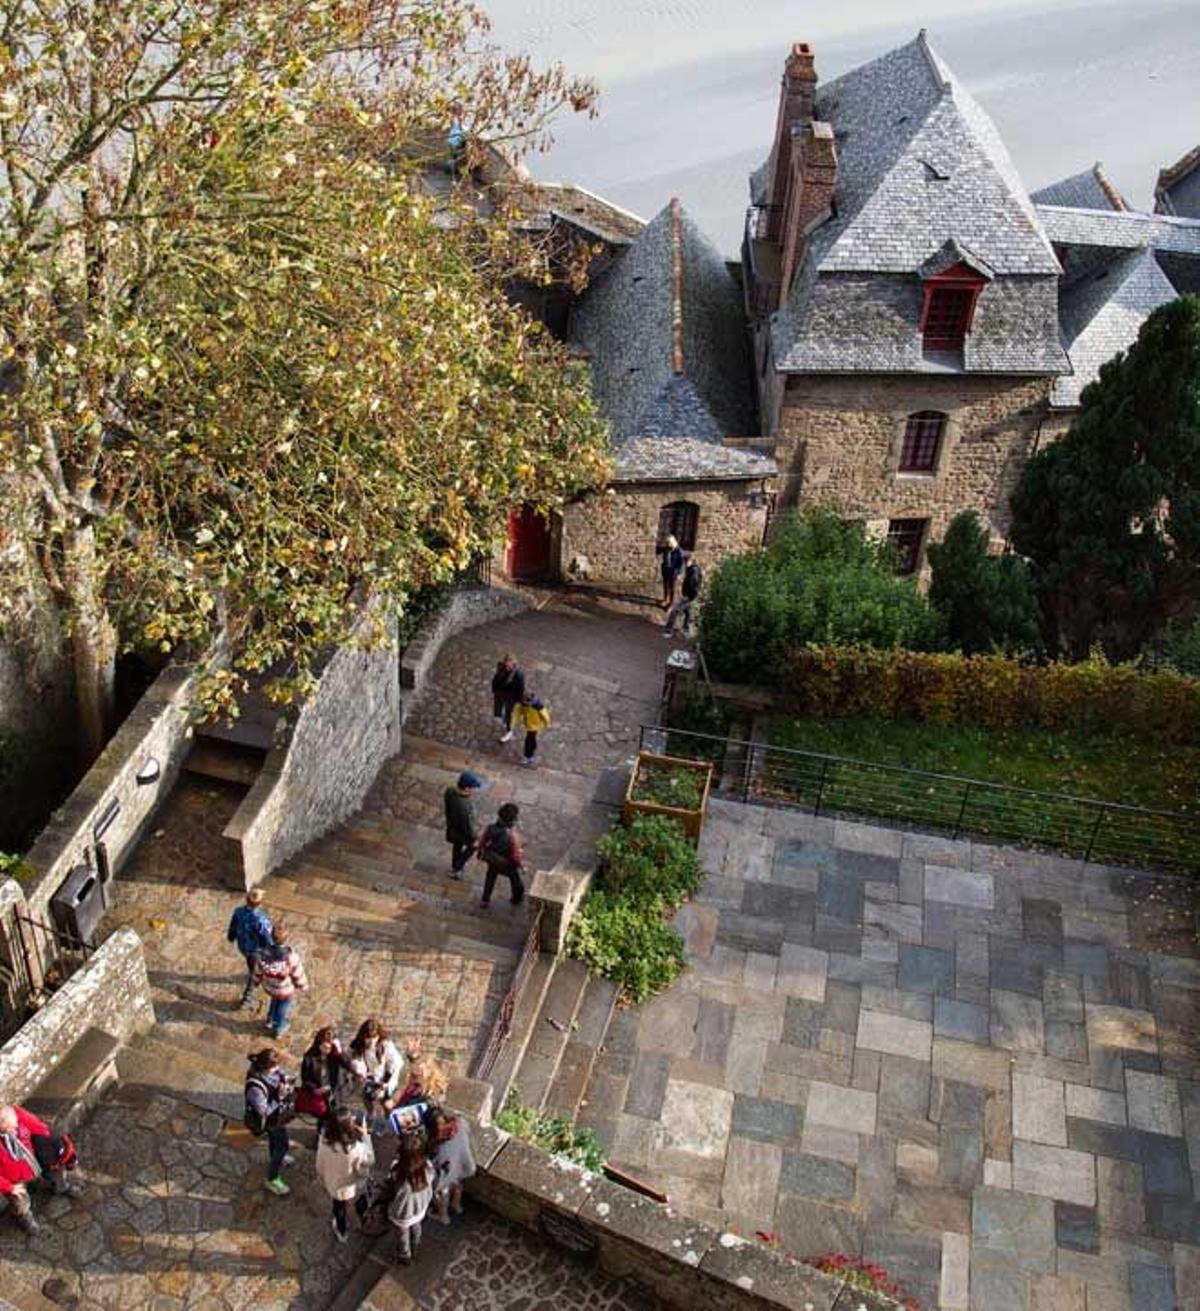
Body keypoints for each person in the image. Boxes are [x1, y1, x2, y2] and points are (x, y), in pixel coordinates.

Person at [0, 1104, 81, 1235]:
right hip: (12, 1179)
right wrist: (10, 1188)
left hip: (32, 1161)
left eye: (15, 1124)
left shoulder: (15, 1115)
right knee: (20, 1201)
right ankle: (25, 1217)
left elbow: (35, 1124)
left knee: (54, 1170)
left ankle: (61, 1186)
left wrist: (49, 1142)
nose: (16, 1127)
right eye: (11, 1127)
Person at [316, 1110, 375, 1243]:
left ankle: (342, 1232)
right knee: (361, 1201)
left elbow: (319, 1164)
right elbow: (370, 1161)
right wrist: (366, 1136)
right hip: (355, 1185)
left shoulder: (323, 1141)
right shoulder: (357, 1148)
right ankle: (363, 1220)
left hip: (335, 1186)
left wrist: (323, 1178)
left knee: (339, 1209)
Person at [244, 1049, 296, 1196]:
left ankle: (278, 1156)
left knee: (277, 1141)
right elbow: (264, 1110)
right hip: (270, 1120)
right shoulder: (255, 1088)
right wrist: (279, 1098)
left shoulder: (272, 1072)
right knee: (282, 1144)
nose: (278, 1069)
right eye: (274, 1067)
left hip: (277, 1118)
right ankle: (272, 1178)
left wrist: (285, 1080)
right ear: (265, 1067)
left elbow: (279, 1075)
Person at [347, 1019, 408, 1126]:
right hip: (368, 1080)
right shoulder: (357, 1046)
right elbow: (350, 1059)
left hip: (385, 1080)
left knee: (386, 1104)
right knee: (367, 1098)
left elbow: (396, 1065)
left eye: (374, 1038)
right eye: (368, 1038)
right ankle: (371, 1115)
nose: (371, 1042)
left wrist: (386, 1086)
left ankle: (389, 1121)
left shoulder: (386, 1046)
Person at [253, 923, 309, 1038]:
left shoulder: (262, 955)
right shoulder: (291, 957)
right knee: (283, 1007)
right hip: (285, 989)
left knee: (274, 1001)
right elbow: (298, 974)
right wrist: (303, 986)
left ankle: (270, 1019)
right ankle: (279, 1027)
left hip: (270, 986)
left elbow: (257, 971)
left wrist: (256, 981)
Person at [387, 1134, 435, 1264]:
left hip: (402, 1214)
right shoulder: (428, 1169)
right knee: (416, 1227)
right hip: (420, 1209)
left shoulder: (398, 1174)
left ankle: (405, 1256)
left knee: (402, 1236)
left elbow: (391, 1189)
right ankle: (416, 1244)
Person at [427, 1105, 475, 1226]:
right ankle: (456, 1205)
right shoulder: (460, 1123)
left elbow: (433, 1164)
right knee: (457, 1184)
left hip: (447, 1174)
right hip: (463, 1165)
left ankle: (444, 1217)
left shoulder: (437, 1147)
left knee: (441, 1194)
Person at [226, 887, 273, 1008]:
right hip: (256, 950)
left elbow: (233, 927)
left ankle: (253, 972)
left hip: (244, 946)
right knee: (255, 972)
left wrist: (231, 937)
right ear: (259, 903)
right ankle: (248, 998)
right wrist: (272, 951)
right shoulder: (260, 919)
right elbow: (266, 937)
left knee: (252, 964)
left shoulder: (238, 911)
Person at [477, 802, 525, 909]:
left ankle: (485, 900)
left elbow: (482, 841)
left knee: (490, 878)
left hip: (492, 860)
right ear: (512, 820)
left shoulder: (490, 828)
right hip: (507, 864)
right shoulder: (512, 836)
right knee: (516, 881)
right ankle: (516, 899)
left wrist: (480, 851)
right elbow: (516, 857)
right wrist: (522, 866)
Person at [297, 1026, 348, 1122]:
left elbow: (347, 1064)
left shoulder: (335, 1054)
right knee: (322, 1114)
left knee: (336, 1113)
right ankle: (321, 1128)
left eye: (329, 1047)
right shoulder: (309, 1058)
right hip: (319, 1092)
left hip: (336, 1090)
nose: (327, 1050)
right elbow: (305, 1078)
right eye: (324, 1047)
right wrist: (315, 1089)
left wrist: (339, 1051)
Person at [443, 771, 483, 880]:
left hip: (453, 827)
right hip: (463, 832)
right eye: (473, 787)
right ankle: (457, 868)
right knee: (472, 846)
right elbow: (469, 827)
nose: (474, 790)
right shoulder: (464, 806)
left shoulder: (449, 791)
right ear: (466, 788)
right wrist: (475, 838)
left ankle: (455, 866)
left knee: (457, 846)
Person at [664, 551, 704, 638]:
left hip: (688, 596)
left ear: (689, 561)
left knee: (675, 611)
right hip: (690, 595)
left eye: (685, 561)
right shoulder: (692, 569)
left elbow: (693, 583)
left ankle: (668, 631)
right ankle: (686, 630)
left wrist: (688, 595)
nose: (684, 564)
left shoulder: (693, 570)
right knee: (688, 613)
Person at [491, 654, 525, 743]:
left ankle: (509, 731)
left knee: (509, 714)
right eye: (506, 664)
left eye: (509, 665)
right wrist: (494, 689)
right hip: (500, 693)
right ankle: (501, 718)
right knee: (499, 708)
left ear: (513, 664)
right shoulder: (501, 668)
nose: (507, 667)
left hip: (511, 697)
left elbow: (520, 689)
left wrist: (518, 701)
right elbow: (496, 678)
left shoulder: (518, 675)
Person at [510, 692, 550, 768]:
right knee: (531, 740)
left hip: (536, 725)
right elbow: (516, 714)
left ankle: (528, 756)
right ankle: (529, 756)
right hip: (529, 725)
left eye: (526, 702)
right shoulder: (522, 705)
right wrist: (512, 724)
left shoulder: (538, 706)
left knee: (530, 740)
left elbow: (545, 714)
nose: (525, 704)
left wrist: (547, 723)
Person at [659, 534, 684, 608]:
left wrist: (678, 573)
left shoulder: (679, 552)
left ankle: (671, 602)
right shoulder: (667, 549)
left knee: (672, 587)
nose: (668, 546)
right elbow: (663, 555)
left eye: (669, 544)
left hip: (673, 572)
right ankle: (665, 599)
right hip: (666, 570)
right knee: (665, 585)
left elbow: (680, 564)